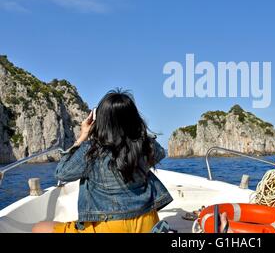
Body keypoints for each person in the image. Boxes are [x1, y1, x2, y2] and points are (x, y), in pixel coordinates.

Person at [32, 89, 173, 233]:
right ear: (134, 117)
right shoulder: (145, 144)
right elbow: (160, 153)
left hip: (108, 226)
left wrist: (82, 137)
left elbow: (61, 173)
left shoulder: (91, 150)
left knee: (39, 228)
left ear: (100, 120)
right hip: (148, 222)